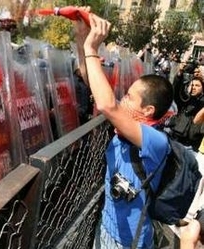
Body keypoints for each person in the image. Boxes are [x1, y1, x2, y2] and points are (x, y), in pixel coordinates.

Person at [74, 7, 174, 248]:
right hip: (106, 230)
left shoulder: (156, 141)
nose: (123, 99)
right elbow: (93, 83)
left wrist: (92, 49)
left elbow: (107, 105)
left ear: (148, 111)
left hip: (129, 243)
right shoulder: (128, 124)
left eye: (129, 97)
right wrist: (81, 38)